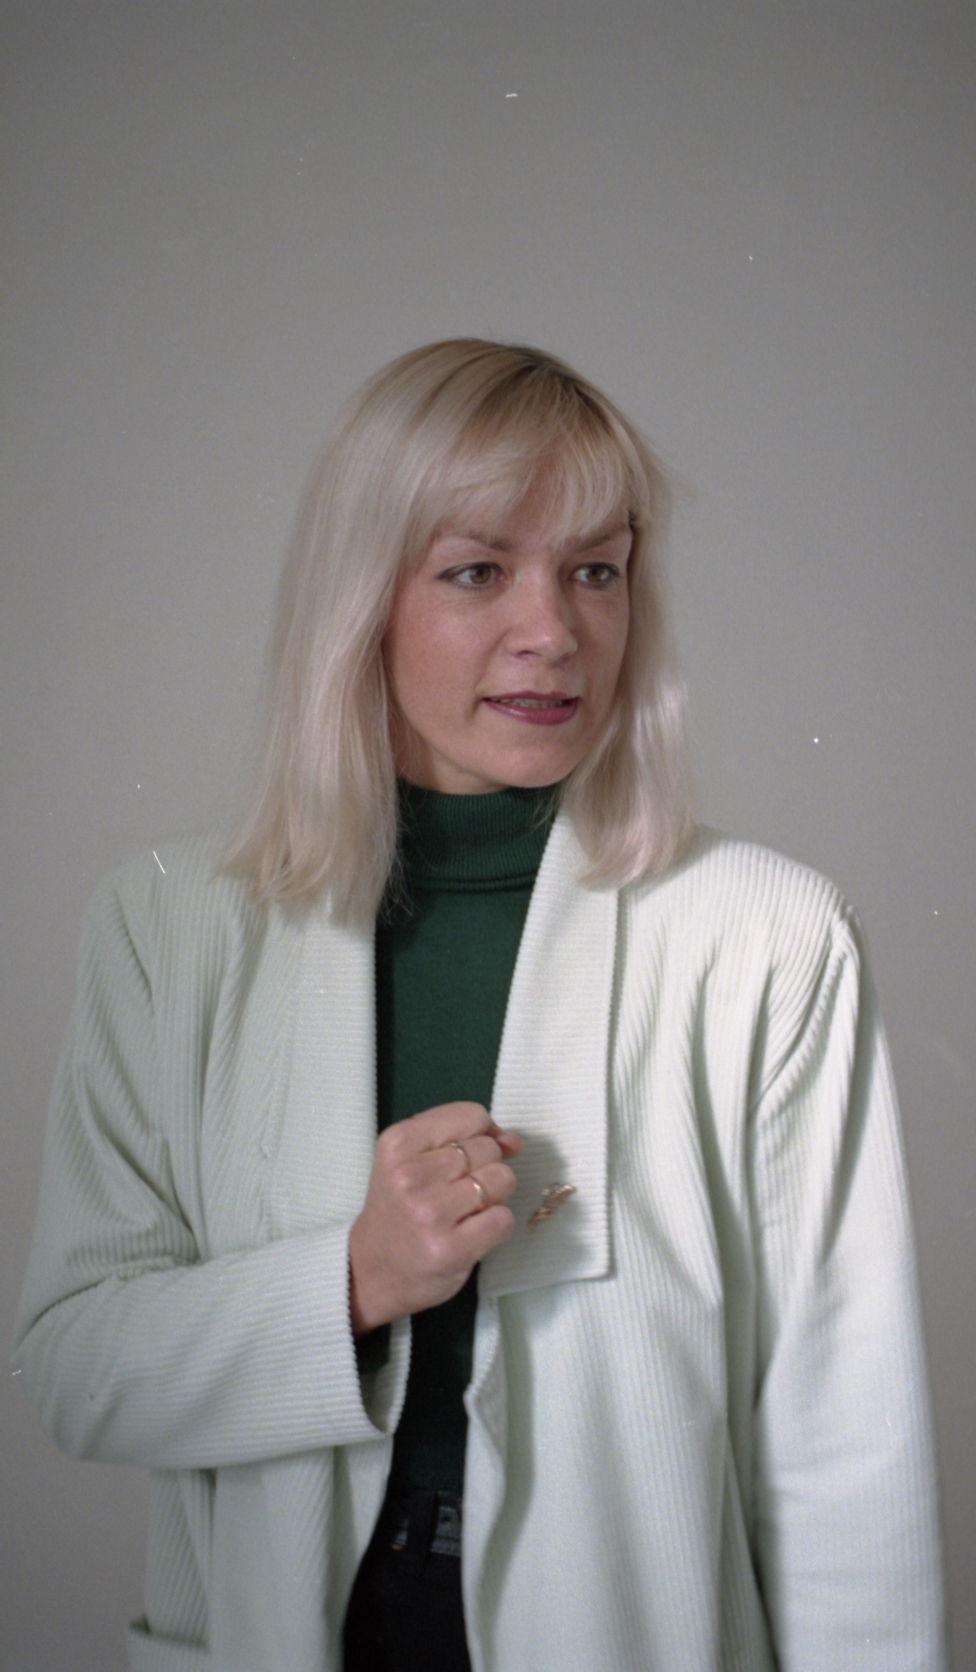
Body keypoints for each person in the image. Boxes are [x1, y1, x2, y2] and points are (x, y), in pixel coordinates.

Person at [14, 340, 945, 1672]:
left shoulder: (770, 936)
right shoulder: (166, 927)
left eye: (595, 571)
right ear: (363, 598)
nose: (553, 632)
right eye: (476, 571)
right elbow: (78, 1370)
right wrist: (354, 1280)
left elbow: (848, 1450)